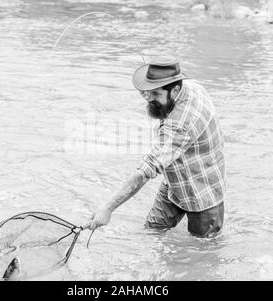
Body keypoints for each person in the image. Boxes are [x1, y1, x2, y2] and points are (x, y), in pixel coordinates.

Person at [84, 56, 226, 237]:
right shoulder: (189, 86)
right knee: (152, 232)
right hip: (175, 180)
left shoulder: (180, 123)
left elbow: (147, 169)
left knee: (202, 252)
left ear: (174, 90)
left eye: (156, 94)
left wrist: (108, 208)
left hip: (202, 191)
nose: (149, 99)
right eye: (147, 92)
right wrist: (150, 93)